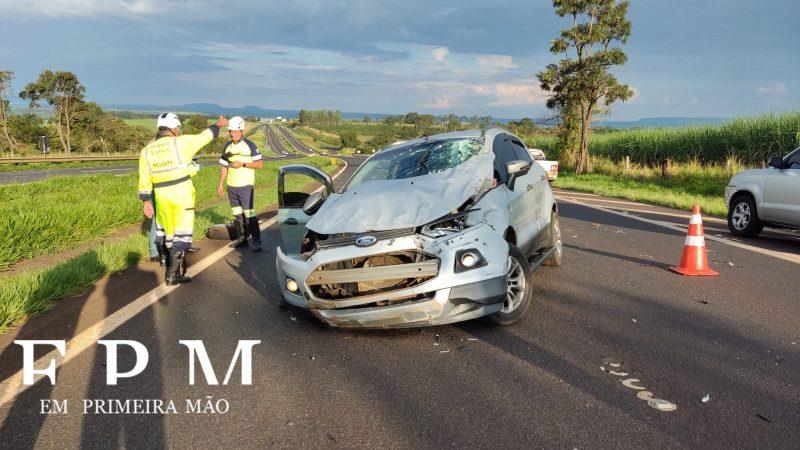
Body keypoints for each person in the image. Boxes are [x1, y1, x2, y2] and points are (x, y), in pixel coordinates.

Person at [139, 112, 228, 284]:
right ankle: (173, 274)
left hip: (161, 197)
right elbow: (206, 136)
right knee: (183, 234)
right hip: (181, 195)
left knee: (168, 233)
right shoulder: (181, 142)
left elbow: (144, 179)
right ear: (173, 128)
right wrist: (219, 124)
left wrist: (146, 201)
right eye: (178, 128)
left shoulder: (147, 150)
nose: (179, 131)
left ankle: (169, 263)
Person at [217, 116, 264, 252]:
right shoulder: (227, 146)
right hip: (231, 186)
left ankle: (256, 240)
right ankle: (242, 239)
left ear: (241, 131)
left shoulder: (249, 145)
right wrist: (220, 183)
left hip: (245, 186)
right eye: (230, 131)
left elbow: (260, 164)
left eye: (235, 131)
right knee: (237, 214)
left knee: (249, 213)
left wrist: (242, 164)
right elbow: (224, 166)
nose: (232, 134)